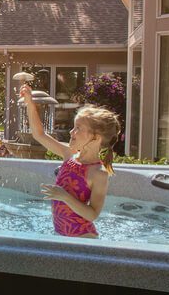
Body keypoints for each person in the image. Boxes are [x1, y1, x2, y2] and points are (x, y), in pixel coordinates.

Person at [19, 84, 121, 238]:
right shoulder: (69, 154)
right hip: (61, 234)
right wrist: (30, 104)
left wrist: (64, 196)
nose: (71, 132)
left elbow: (92, 214)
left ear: (95, 138)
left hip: (83, 237)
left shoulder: (99, 173)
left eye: (78, 128)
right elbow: (39, 134)